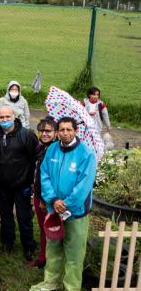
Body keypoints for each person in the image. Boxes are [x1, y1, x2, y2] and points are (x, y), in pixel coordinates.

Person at [30, 117, 96, 291]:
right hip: (54, 209)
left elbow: (84, 184)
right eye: (62, 130)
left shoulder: (86, 154)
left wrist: (66, 204)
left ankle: (71, 286)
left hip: (76, 212)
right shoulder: (52, 149)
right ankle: (51, 282)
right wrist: (52, 199)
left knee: (74, 253)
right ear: (57, 132)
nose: (65, 133)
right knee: (54, 248)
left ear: (75, 131)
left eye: (68, 129)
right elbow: (44, 175)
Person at [0, 105, 39, 261]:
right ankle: (7, 242)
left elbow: (34, 158)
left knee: (24, 216)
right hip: (3, 184)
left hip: (22, 184)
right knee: (5, 214)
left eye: (7, 117)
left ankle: (28, 246)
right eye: (1, 117)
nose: (4, 120)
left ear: (14, 117)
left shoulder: (26, 135)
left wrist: (29, 180)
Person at [29, 117, 58, 269]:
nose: (44, 134)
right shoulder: (41, 148)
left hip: (48, 198)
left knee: (50, 227)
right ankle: (43, 256)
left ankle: (50, 259)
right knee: (42, 226)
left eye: (48, 131)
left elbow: (51, 178)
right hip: (38, 194)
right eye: (42, 131)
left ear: (56, 132)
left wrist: (44, 199)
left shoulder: (56, 151)